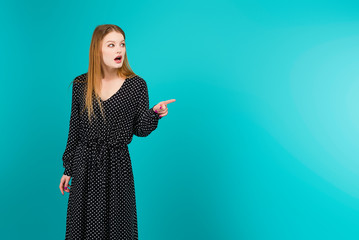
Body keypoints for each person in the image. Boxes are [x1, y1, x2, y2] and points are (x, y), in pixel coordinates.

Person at [58, 24, 175, 239]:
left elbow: (140, 128)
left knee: (119, 229)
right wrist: (68, 169)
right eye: (111, 45)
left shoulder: (136, 85)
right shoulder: (81, 84)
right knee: (83, 229)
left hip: (117, 166)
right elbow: (75, 129)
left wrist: (155, 113)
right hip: (85, 166)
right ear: (98, 50)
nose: (119, 50)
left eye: (121, 44)